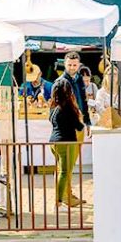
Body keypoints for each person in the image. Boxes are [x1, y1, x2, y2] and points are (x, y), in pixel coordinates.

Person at [48, 78, 85, 208]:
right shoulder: (68, 108)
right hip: (66, 143)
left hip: (53, 142)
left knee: (60, 171)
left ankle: (60, 200)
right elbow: (79, 127)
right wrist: (80, 117)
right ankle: (58, 202)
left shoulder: (53, 107)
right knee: (64, 173)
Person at [57, 52, 91, 132]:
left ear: (79, 65)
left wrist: (87, 122)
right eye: (69, 65)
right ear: (65, 64)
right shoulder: (59, 82)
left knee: (79, 144)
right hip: (66, 125)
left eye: (75, 65)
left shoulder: (80, 80)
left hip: (80, 122)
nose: (72, 68)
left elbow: (84, 101)